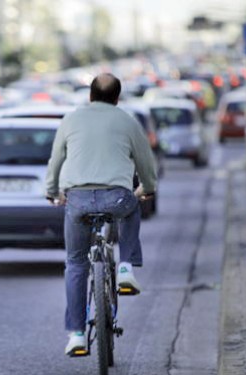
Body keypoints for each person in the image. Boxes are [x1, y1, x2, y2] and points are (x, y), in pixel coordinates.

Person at [45, 73, 157, 356]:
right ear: (117, 98)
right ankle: (125, 268)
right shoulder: (127, 121)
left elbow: (56, 159)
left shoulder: (71, 119)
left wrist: (53, 191)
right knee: (132, 206)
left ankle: (77, 335)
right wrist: (147, 188)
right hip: (117, 196)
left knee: (75, 263)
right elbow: (145, 162)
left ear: (90, 95)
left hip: (78, 200)